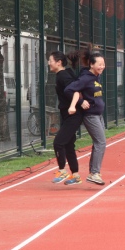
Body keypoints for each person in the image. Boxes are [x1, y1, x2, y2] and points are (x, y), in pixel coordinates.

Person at [64, 51, 107, 186]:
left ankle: (94, 172)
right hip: (90, 115)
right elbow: (69, 90)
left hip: (98, 114)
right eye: (99, 64)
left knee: (99, 143)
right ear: (91, 65)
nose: (102, 67)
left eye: (103, 64)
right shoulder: (85, 78)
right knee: (101, 142)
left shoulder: (96, 76)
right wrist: (80, 102)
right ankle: (94, 173)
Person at [49, 50, 86, 185]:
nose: (49, 63)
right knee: (69, 144)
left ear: (58, 62)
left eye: (50, 61)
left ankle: (62, 170)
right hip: (67, 114)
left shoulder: (63, 76)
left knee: (58, 143)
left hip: (73, 115)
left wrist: (75, 104)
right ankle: (75, 175)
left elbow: (75, 91)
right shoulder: (66, 73)